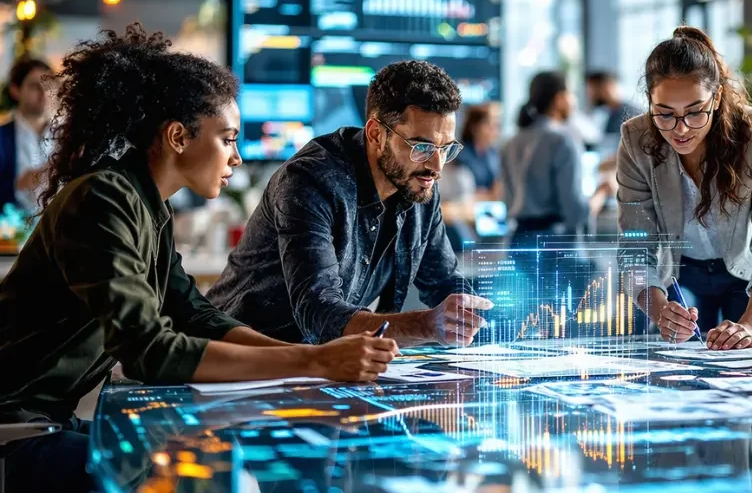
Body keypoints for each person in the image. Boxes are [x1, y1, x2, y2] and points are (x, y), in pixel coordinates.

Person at [0, 26, 395, 492]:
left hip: (44, 421)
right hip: (14, 429)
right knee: (184, 476)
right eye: (227, 139)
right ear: (178, 137)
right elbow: (150, 351)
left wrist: (311, 356)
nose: (238, 157)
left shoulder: (147, 206)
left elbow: (192, 312)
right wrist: (312, 366)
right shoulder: (102, 200)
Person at [209, 60, 491, 347]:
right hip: (241, 358)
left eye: (445, 148)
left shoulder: (417, 183)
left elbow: (444, 284)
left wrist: (494, 317)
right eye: (422, 147)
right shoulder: (311, 180)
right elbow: (319, 312)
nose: (437, 165)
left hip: (319, 365)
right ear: (376, 134)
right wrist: (425, 324)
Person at [618, 26, 752, 350]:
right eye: (665, 114)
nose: (681, 129)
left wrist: (750, 326)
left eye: (694, 111)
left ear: (715, 98)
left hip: (749, 277)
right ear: (649, 101)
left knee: (745, 367)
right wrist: (661, 313)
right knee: (677, 370)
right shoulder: (636, 139)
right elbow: (635, 247)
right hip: (680, 274)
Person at [502, 71, 611, 248]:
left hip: (517, 242)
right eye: (572, 94)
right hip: (554, 246)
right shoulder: (563, 141)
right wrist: (602, 193)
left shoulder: (510, 143)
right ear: (560, 98)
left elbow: (507, 202)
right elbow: (575, 213)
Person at [0, 59, 55, 212]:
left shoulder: (68, 135)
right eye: (34, 86)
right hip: (10, 229)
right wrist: (18, 184)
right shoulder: (2, 136)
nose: (43, 92)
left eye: (48, 85)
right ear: (15, 90)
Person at [456, 101, 502, 200]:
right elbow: (464, 193)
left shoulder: (494, 153)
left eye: (497, 125)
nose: (494, 129)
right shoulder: (461, 154)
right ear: (474, 127)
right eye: (489, 124)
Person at [586, 70, 639, 137]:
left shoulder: (631, 114)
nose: (590, 96)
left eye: (592, 90)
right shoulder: (607, 113)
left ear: (608, 86)